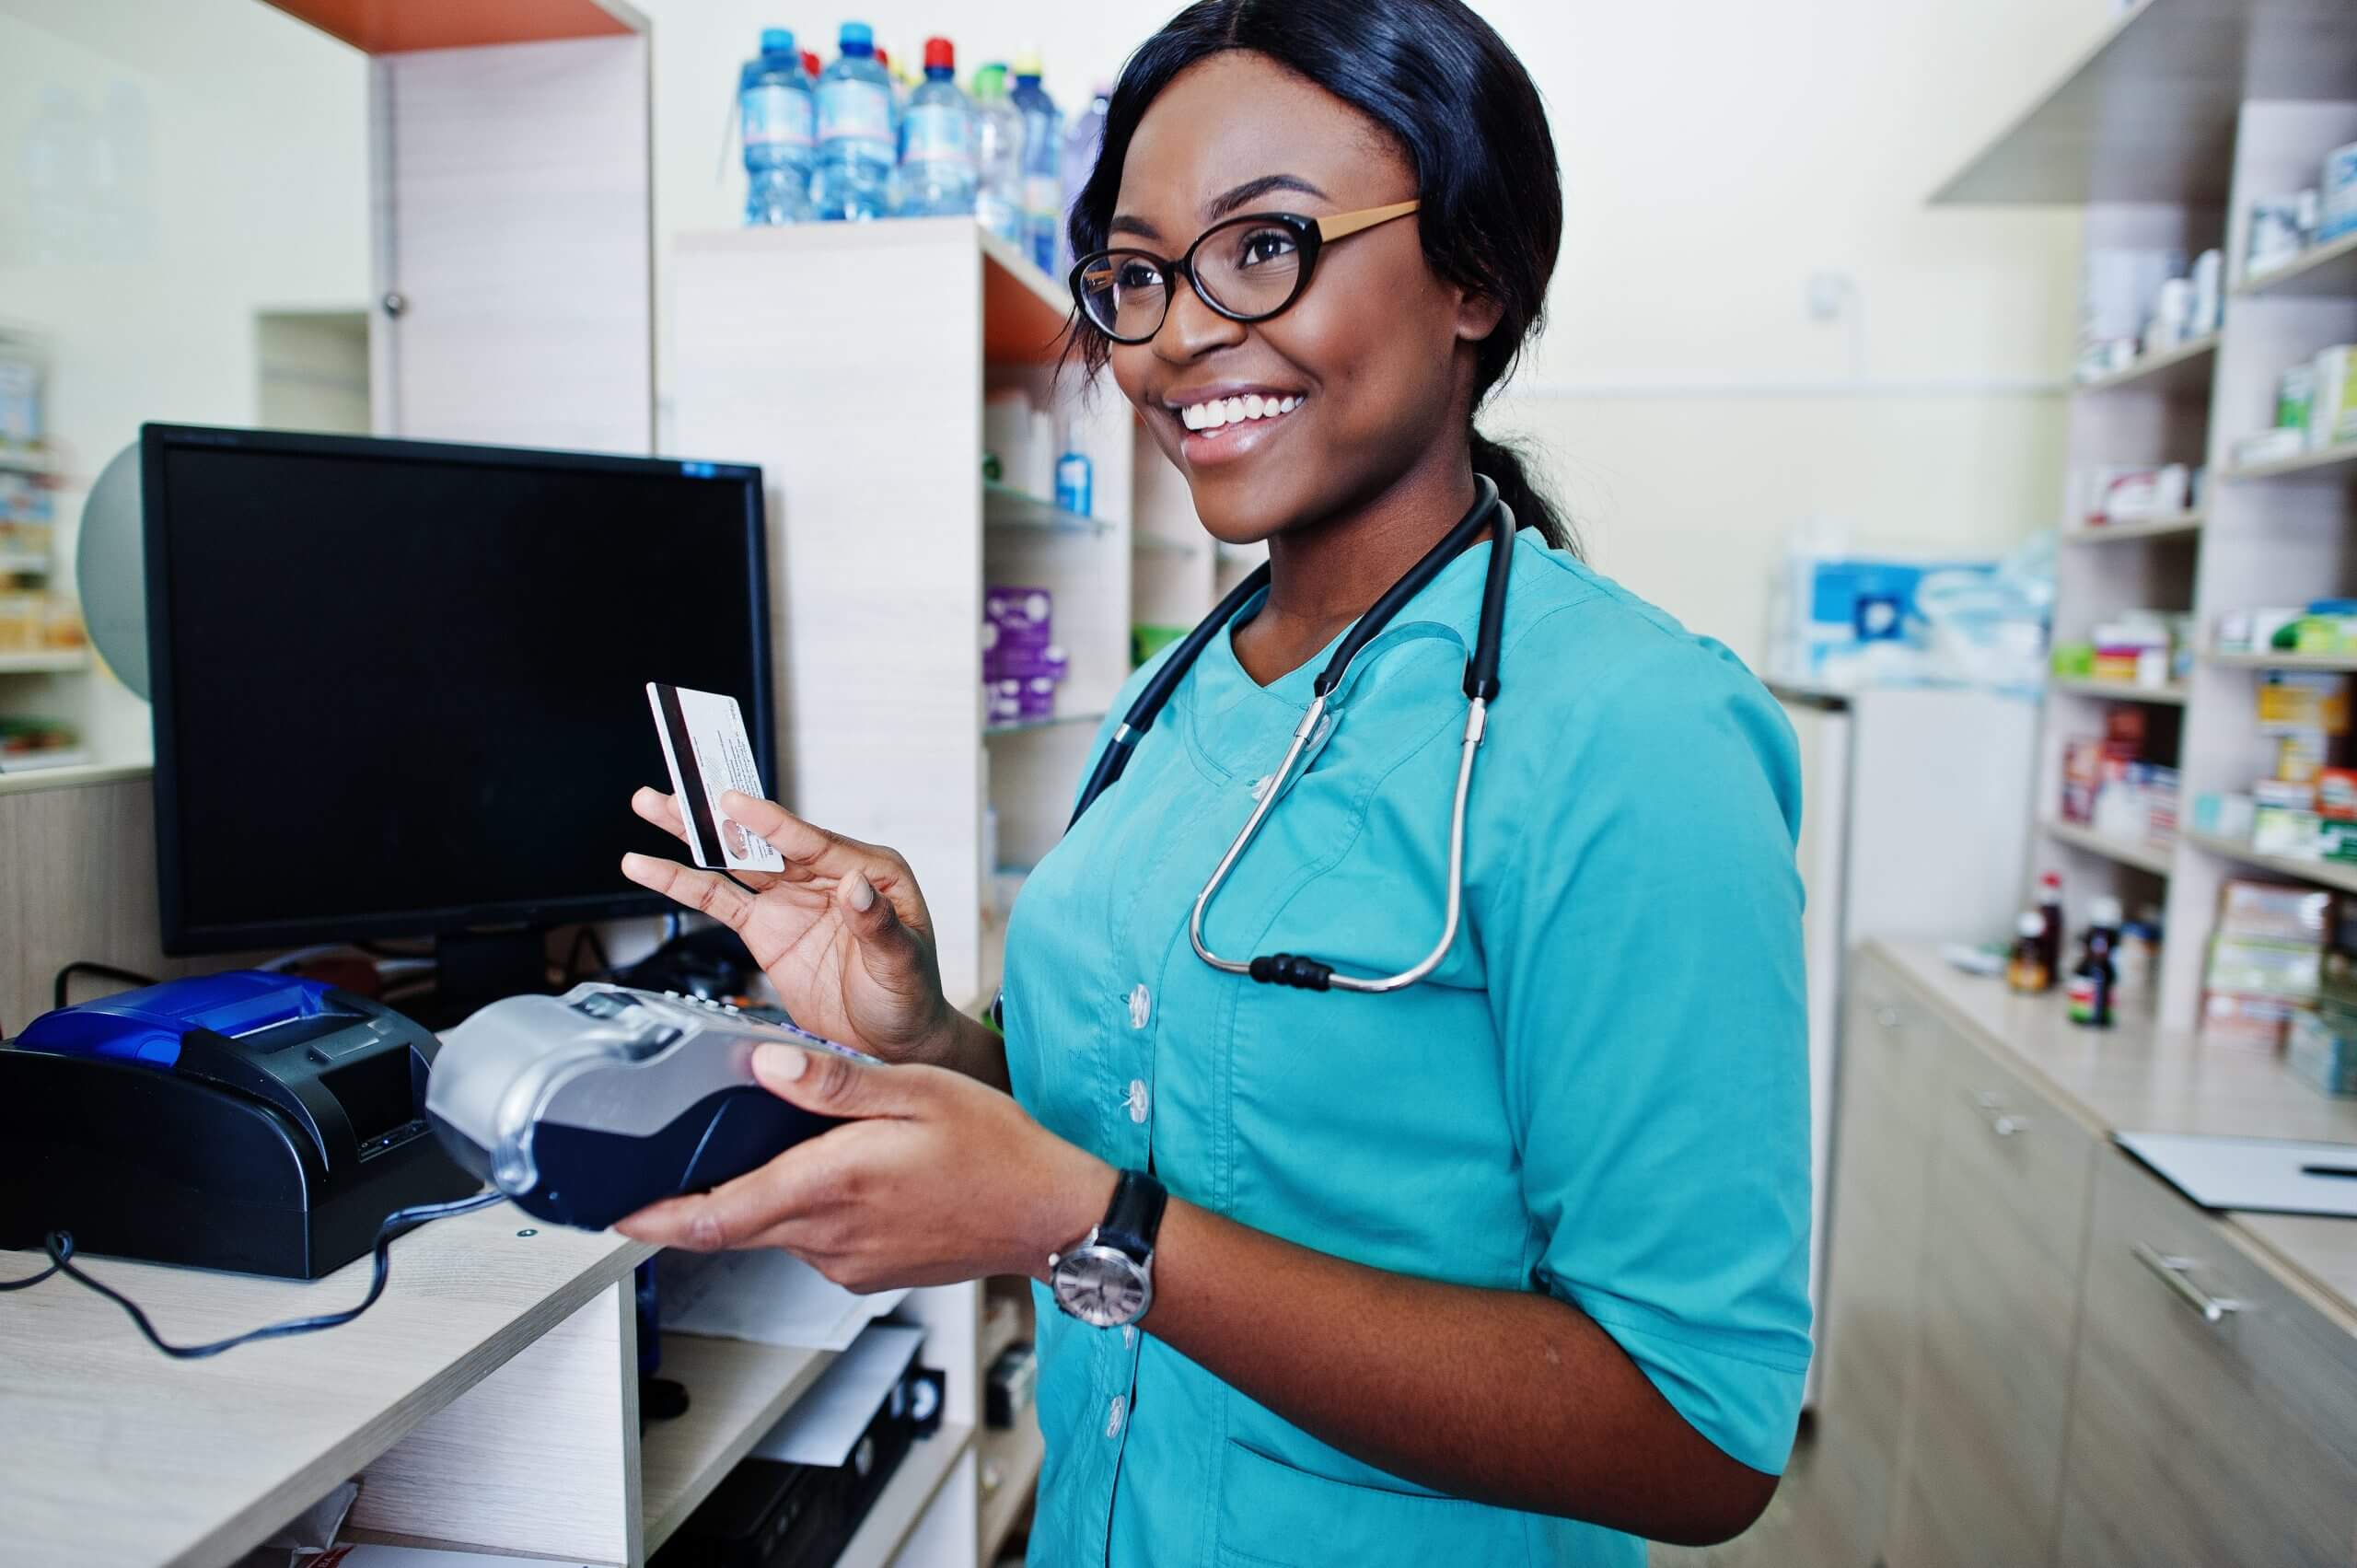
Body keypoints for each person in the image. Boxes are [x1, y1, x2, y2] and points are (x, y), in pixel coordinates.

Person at [614, 1, 1811, 1562]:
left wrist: (1090, 1230)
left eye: (1266, 249)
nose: (1176, 335)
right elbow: (1134, 1141)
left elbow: (1698, 1435)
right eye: (1134, 273)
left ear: (1477, 272)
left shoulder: (1630, 736)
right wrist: (928, 1039)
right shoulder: (1181, 691)